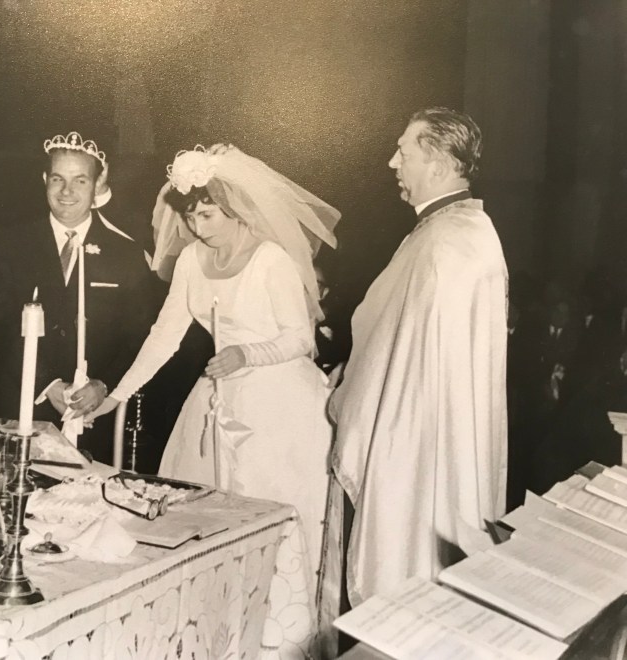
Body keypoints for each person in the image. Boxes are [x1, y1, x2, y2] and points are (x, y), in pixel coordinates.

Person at [89, 144, 340, 582]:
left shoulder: (271, 259)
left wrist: (247, 353)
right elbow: (165, 334)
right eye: (190, 217)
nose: (197, 228)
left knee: (268, 514)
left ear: (236, 209)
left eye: (207, 215)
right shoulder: (191, 259)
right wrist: (117, 395)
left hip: (279, 404)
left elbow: (300, 338)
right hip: (217, 394)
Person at [328, 107, 508, 610]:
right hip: (441, 432)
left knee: (406, 562)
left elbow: (398, 348)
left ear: (439, 163)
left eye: (403, 152)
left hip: (421, 440)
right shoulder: (463, 229)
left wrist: (350, 387)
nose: (393, 163)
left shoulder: (446, 240)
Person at [0, 131, 155, 465]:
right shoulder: (10, 243)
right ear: (44, 180)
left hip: (94, 413)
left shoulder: (127, 253)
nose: (66, 191)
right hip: (23, 406)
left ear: (98, 183)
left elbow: (137, 334)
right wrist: (48, 385)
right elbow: (0, 325)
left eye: (80, 180)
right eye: (57, 179)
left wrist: (104, 385)